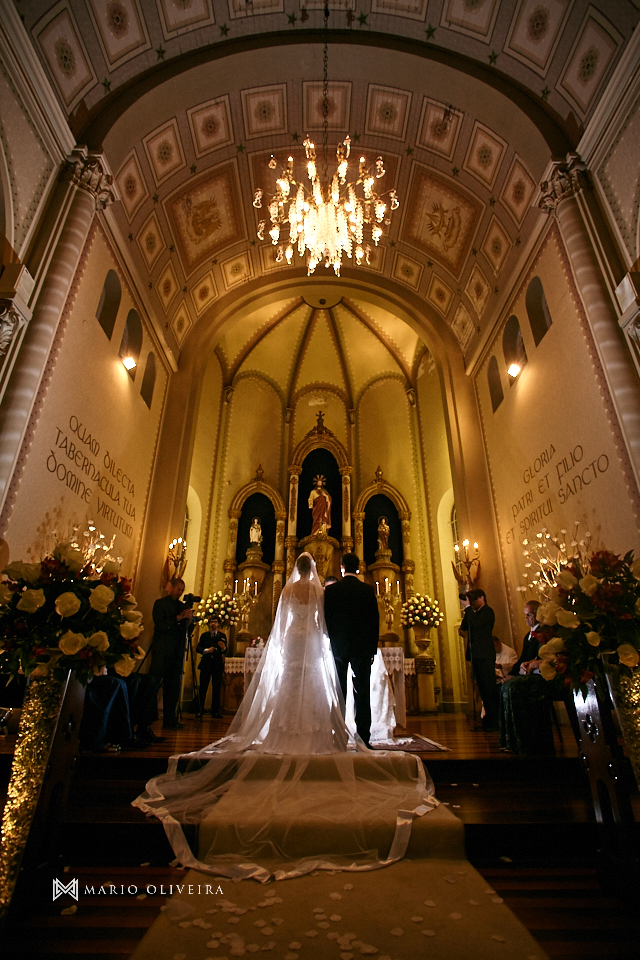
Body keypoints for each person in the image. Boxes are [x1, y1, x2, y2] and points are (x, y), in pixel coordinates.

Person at [133, 551, 435, 882]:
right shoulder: (330, 591)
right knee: (331, 688)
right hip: (339, 644)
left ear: (295, 570)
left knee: (292, 684)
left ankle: (286, 729)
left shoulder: (291, 592)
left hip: (293, 642)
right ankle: (345, 731)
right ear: (318, 571)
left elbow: (288, 623)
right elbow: (330, 622)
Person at [324, 552, 380, 747]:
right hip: (362, 648)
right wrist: (372, 649)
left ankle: (338, 736)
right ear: (358, 568)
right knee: (362, 692)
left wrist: (332, 643)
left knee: (339, 692)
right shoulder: (367, 590)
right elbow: (374, 621)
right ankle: (363, 737)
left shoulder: (331, 592)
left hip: (339, 648)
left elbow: (327, 621)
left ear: (341, 567)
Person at [498, 600, 555, 755]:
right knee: (505, 686)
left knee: (513, 688)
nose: (526, 618)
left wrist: (530, 665)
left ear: (538, 614)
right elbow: (523, 659)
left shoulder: (546, 632)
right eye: (525, 615)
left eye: (529, 614)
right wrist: (510, 674)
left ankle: (524, 740)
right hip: (528, 674)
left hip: (541, 677)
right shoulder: (528, 636)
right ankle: (510, 740)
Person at [149, 577, 193, 730]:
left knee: (172, 687)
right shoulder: (160, 604)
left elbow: (186, 631)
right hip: (162, 651)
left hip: (176, 651)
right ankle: (147, 720)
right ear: (171, 587)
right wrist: (179, 617)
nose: (180, 592)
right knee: (154, 685)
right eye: (178, 589)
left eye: (182, 590)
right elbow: (160, 625)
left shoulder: (182, 606)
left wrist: (190, 621)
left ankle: (170, 719)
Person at [464, 588, 498, 731]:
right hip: (476, 655)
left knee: (489, 689)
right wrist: (468, 610)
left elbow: (477, 623)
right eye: (469, 601)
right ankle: (488, 722)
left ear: (482, 598)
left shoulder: (488, 612)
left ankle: (495, 721)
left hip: (485, 655)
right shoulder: (473, 614)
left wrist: (467, 608)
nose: (471, 603)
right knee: (483, 689)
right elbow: (465, 626)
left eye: (473, 600)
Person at [196, 616, 227, 718]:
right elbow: (198, 648)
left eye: (215, 622)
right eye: (212, 622)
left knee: (216, 688)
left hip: (217, 665)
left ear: (218, 624)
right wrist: (206, 650)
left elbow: (225, 650)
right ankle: (200, 710)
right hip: (206, 664)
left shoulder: (222, 636)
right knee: (203, 688)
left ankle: (215, 711)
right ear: (209, 624)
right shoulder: (204, 635)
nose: (213, 624)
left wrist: (223, 648)